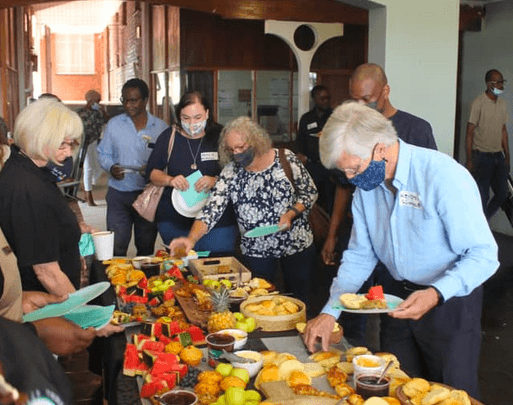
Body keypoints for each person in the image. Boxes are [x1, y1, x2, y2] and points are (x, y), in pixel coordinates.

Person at [304, 101, 499, 398]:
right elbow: (359, 255)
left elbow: (484, 255)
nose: (353, 180)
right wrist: (332, 311)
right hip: (394, 301)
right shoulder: (366, 188)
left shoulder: (443, 176)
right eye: (346, 173)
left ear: (380, 148)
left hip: (449, 302)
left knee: (451, 393)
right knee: (397, 387)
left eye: (355, 169)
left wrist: (436, 293)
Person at [169, 117, 318, 304]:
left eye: (241, 147)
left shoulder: (285, 158)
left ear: (256, 140)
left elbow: (310, 193)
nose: (237, 153)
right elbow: (211, 210)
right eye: (231, 150)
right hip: (256, 252)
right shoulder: (231, 172)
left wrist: (291, 213)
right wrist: (190, 239)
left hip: (296, 246)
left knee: (298, 301)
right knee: (258, 303)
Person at [146, 91, 238, 252]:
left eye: (197, 118)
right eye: (186, 118)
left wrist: (216, 181)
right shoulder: (169, 137)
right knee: (180, 269)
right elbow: (152, 173)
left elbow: (240, 173)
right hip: (174, 220)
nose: (192, 123)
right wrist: (170, 180)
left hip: (218, 222)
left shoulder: (221, 136)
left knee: (217, 266)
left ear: (207, 113)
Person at [97, 78, 168, 256]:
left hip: (148, 195)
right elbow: (103, 153)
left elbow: (168, 160)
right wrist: (111, 167)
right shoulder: (114, 125)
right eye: (125, 100)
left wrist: (153, 169)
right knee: (117, 246)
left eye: (134, 100)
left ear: (145, 100)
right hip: (118, 194)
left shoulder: (160, 128)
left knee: (145, 248)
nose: (129, 105)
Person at [466, 69, 510, 219]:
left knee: (503, 194)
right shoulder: (478, 103)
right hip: (481, 157)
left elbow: (503, 131)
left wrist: (507, 155)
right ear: (488, 84)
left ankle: (483, 223)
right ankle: (480, 230)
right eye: (497, 82)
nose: (500, 85)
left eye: (501, 81)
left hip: (498, 156)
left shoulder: (502, 104)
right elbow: (470, 132)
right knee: (482, 198)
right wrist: (469, 159)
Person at [296, 85, 335, 213]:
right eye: (322, 98)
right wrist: (300, 155)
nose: (326, 101)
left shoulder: (335, 117)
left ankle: (331, 231)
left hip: (331, 168)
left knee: (331, 203)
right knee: (312, 204)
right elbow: (300, 141)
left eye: (328, 98)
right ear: (315, 99)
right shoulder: (306, 119)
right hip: (312, 168)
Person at [77, 90, 108, 206]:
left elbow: (107, 121)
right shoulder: (80, 112)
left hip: (95, 142)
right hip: (83, 143)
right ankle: (88, 194)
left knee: (100, 166)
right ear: (89, 101)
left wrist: (103, 111)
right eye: (96, 101)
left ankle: (88, 184)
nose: (98, 103)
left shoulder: (98, 113)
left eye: (99, 101)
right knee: (88, 167)